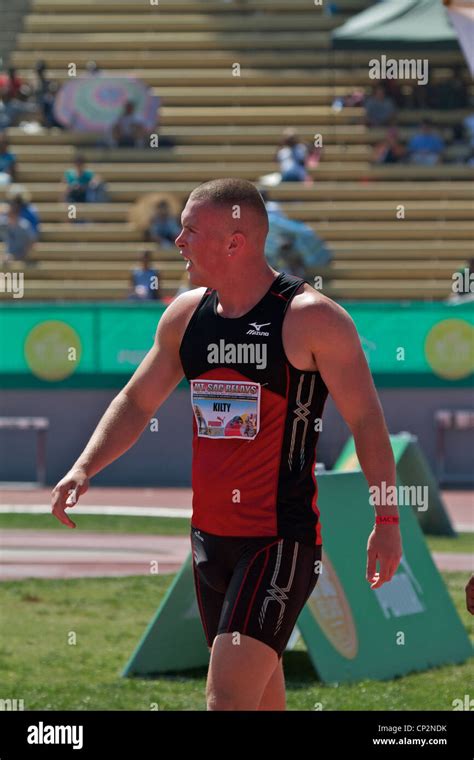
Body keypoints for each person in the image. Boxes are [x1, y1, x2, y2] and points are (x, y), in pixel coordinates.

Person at [51, 177, 402, 711]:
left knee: (226, 701)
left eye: (192, 230)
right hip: (209, 542)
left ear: (235, 242)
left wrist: (389, 522)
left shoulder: (310, 319)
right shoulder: (186, 316)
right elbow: (137, 402)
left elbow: (368, 423)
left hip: (278, 543)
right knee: (261, 703)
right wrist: (84, 466)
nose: (179, 241)